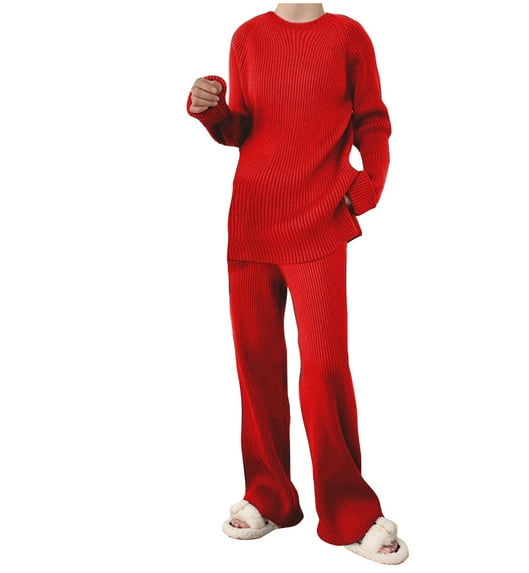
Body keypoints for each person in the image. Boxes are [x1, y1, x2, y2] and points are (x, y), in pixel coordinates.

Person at [186, 2, 409, 565]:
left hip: (319, 220)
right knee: (256, 363)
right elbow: (243, 129)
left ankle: (348, 510)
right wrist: (212, 110)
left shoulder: (348, 37)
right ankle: (270, 496)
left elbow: (372, 120)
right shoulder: (247, 36)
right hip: (252, 218)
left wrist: (367, 188)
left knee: (325, 368)